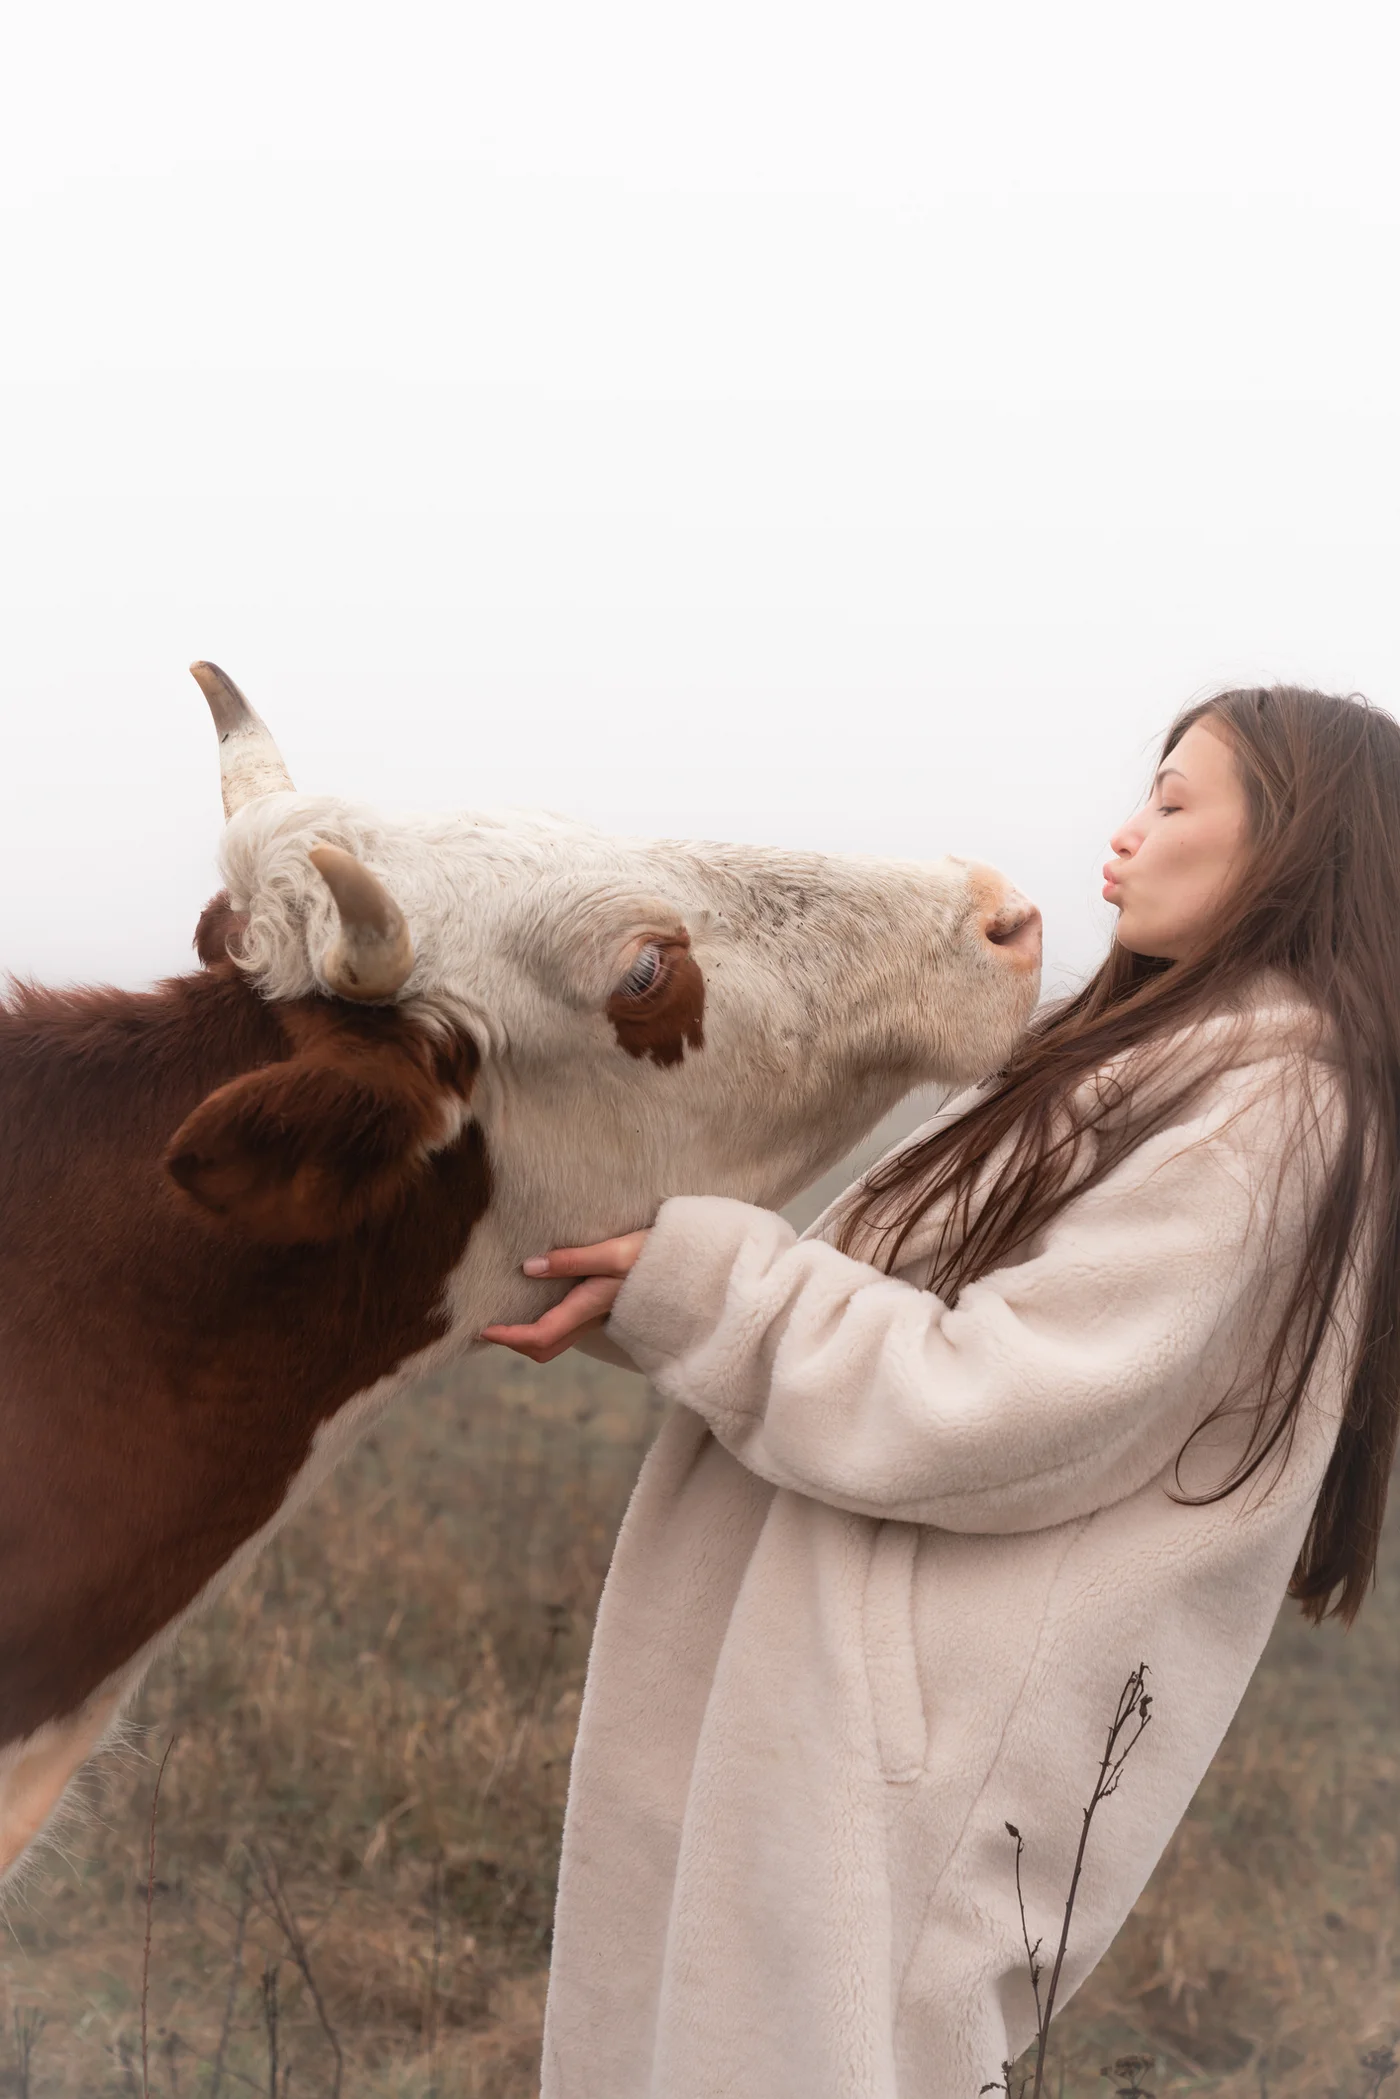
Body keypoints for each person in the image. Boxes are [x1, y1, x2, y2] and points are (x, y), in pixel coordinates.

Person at [481, 687, 1400, 2099]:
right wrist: (650, 1289)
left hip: (892, 1762)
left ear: (1298, 847)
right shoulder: (1167, 1068)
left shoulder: (1272, 1109)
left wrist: (711, 1291)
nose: (1124, 834)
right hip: (822, 1708)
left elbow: (992, 1405)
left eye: (1173, 801)